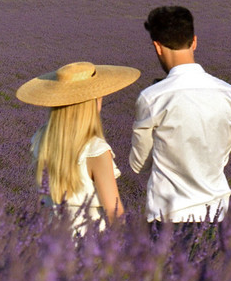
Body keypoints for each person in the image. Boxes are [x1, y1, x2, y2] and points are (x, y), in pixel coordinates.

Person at [131, 5, 231, 226]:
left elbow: (138, 164)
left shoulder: (152, 98)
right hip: (217, 214)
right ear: (194, 41)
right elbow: (224, 154)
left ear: (158, 47)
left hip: (168, 217)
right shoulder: (228, 93)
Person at [16, 61, 141, 236]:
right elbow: (114, 212)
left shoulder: (41, 139)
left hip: (50, 237)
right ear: (91, 102)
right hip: (88, 242)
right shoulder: (95, 150)